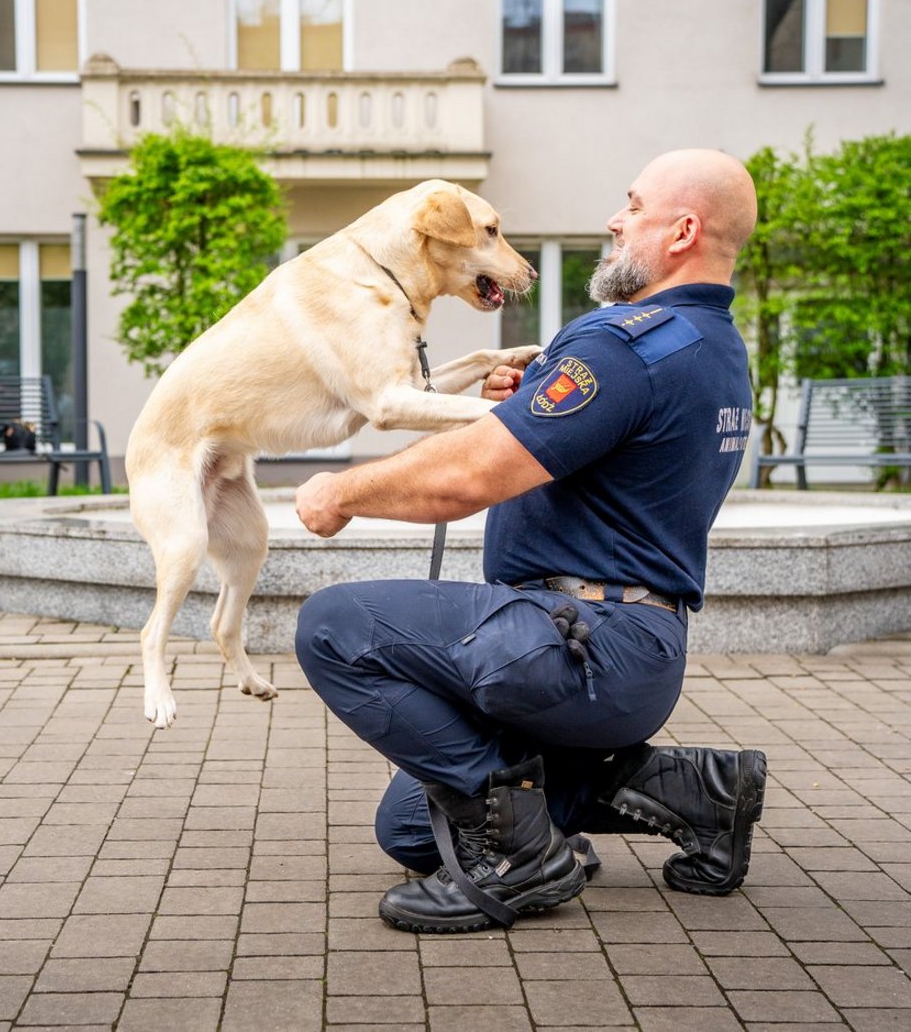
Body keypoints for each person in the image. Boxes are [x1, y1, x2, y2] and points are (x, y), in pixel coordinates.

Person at [294, 149, 767, 935]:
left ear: (684, 230)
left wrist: (340, 490)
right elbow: (592, 444)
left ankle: (525, 860)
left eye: (634, 204)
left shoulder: (625, 344)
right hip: (619, 650)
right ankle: (699, 792)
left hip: (579, 648)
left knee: (335, 625)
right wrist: (519, 410)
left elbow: (469, 479)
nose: (616, 221)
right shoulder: (712, 346)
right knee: (413, 830)